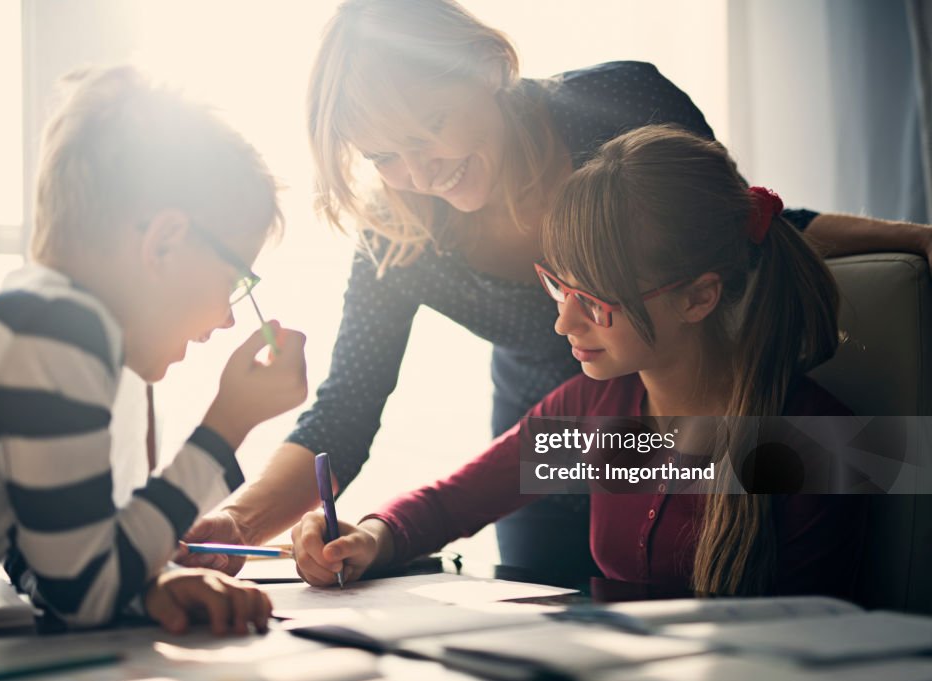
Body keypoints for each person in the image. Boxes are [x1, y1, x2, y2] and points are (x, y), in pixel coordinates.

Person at [183, 0, 928, 577]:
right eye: (387, 156)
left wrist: (919, 241)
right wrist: (265, 527)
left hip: (672, 421)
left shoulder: (617, 110)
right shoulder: (575, 412)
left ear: (485, 67)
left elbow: (743, 222)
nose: (422, 171)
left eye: (432, 127)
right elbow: (366, 423)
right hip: (583, 429)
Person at [290, 124, 866, 597]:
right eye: (560, 288)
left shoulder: (818, 442)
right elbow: (448, 504)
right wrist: (367, 537)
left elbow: (811, 649)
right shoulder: (598, 412)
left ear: (698, 297)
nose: (564, 323)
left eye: (594, 300)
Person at [0, 66, 308, 634]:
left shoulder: (29, 322)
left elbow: (46, 560)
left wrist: (144, 586)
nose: (226, 318)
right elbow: (82, 594)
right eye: (232, 279)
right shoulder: (57, 337)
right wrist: (225, 428)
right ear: (164, 241)